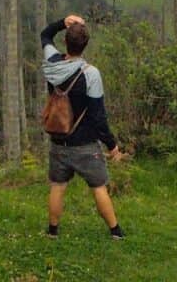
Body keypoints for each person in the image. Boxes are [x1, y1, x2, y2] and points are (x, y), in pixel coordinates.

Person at [41, 13, 128, 239]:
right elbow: (98, 117)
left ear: (66, 42)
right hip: (85, 145)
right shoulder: (91, 74)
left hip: (58, 141)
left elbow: (45, 35)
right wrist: (112, 146)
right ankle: (115, 231)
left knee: (58, 186)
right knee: (98, 187)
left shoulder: (52, 64)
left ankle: (52, 231)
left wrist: (62, 22)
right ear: (85, 44)